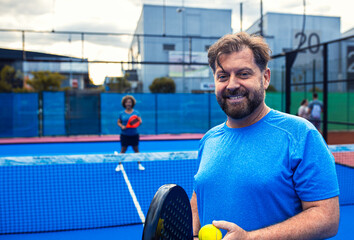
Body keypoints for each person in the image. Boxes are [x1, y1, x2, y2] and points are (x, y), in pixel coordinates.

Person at [190, 32, 339, 240]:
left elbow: (327, 217)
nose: (232, 85)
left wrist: (250, 238)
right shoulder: (209, 140)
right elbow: (199, 195)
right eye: (223, 76)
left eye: (243, 74)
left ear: (265, 77)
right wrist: (194, 234)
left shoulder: (301, 134)